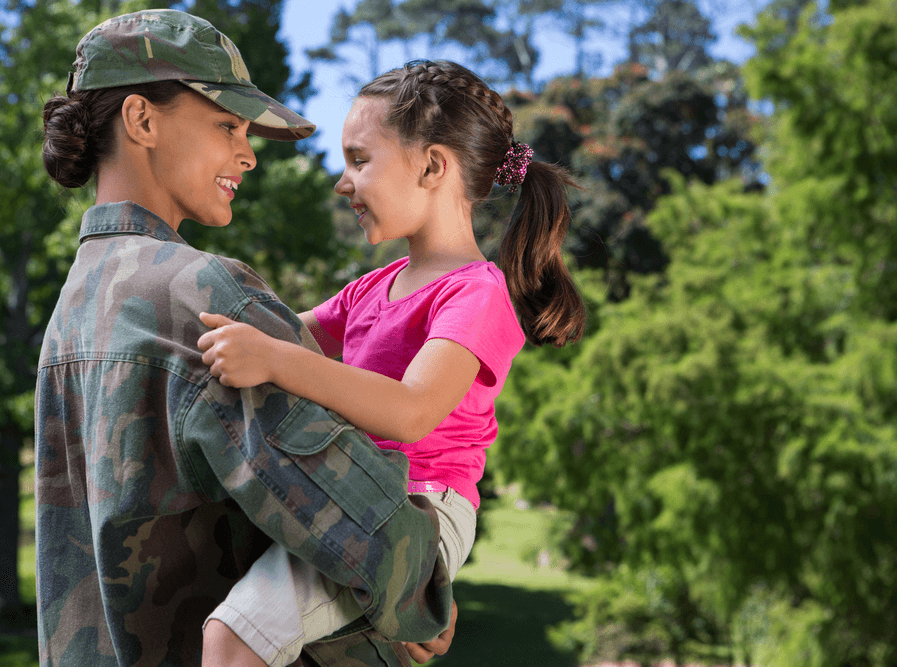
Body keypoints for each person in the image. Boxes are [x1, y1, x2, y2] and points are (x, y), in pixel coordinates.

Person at [34, 11, 455, 667]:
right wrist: (425, 580)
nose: (249, 153)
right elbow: (352, 510)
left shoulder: (72, 313)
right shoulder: (199, 292)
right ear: (142, 120)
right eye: (227, 125)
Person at [196, 59, 585, 667]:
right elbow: (284, 333)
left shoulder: (477, 293)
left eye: (359, 160)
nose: (341, 183)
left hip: (420, 508)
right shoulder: (373, 287)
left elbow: (410, 411)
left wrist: (270, 357)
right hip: (358, 492)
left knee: (232, 638)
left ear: (432, 166)